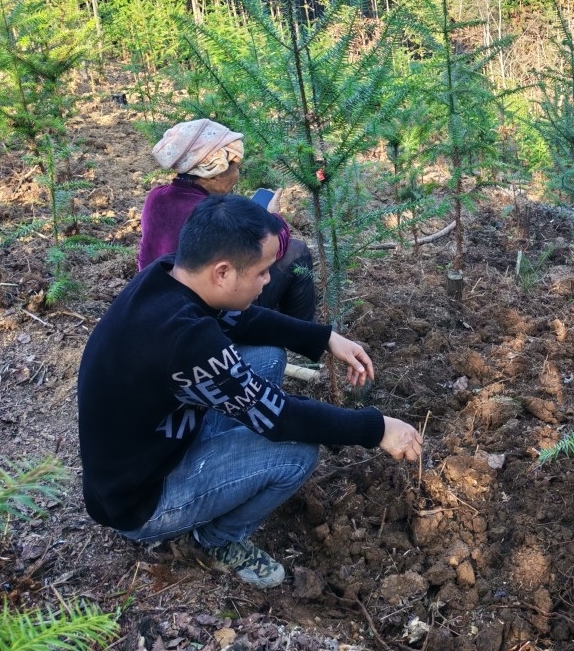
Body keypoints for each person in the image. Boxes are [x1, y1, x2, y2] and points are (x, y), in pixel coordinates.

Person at [78, 194, 423, 590]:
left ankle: (224, 478)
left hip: (155, 442)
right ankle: (215, 541)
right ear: (223, 272)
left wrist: (324, 337)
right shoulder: (187, 342)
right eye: (262, 272)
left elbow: (241, 319)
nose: (267, 282)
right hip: (141, 500)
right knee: (294, 453)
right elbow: (281, 419)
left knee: (266, 357)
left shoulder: (167, 274)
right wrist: (377, 428)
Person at [142, 118, 315, 322]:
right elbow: (272, 248)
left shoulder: (157, 196)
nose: (237, 173)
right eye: (234, 166)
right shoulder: (209, 214)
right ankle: (299, 336)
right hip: (204, 313)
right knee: (297, 251)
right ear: (213, 172)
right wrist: (273, 218)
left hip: (155, 300)